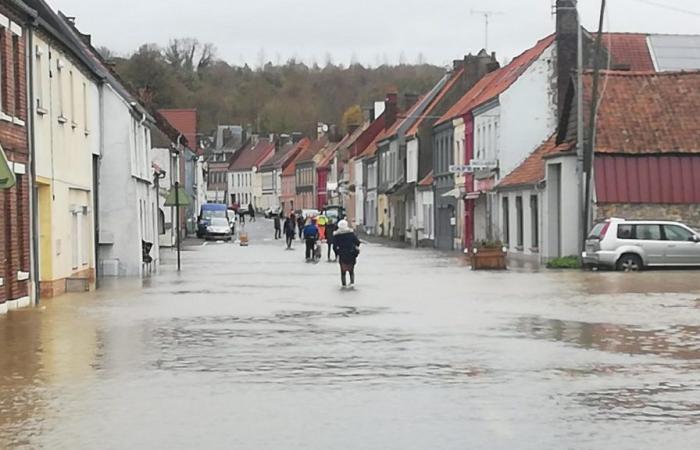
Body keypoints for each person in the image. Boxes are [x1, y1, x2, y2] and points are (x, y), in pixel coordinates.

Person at [333, 219, 361, 287]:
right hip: (351, 254)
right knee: (351, 270)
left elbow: (334, 246)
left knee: (343, 271)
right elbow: (357, 242)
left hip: (342, 255)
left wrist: (337, 253)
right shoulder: (351, 234)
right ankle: (352, 283)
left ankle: (344, 284)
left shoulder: (337, 235)